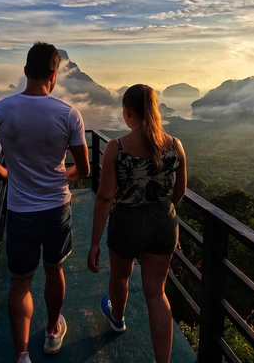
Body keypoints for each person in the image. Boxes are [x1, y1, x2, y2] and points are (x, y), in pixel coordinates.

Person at [0, 42, 90, 363]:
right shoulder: (68, 114)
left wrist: (9, 175)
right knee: (55, 271)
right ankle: (53, 331)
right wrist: (63, 175)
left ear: (25, 71)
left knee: (20, 282)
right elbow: (83, 169)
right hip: (56, 209)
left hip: (20, 212)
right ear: (55, 74)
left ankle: (22, 354)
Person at [87, 84, 187, 363]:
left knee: (120, 276)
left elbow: (105, 197)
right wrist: (161, 212)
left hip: (127, 221)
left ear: (128, 112)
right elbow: (179, 192)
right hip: (163, 221)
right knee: (157, 293)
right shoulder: (175, 145)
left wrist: (95, 242)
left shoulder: (116, 147)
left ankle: (117, 319)